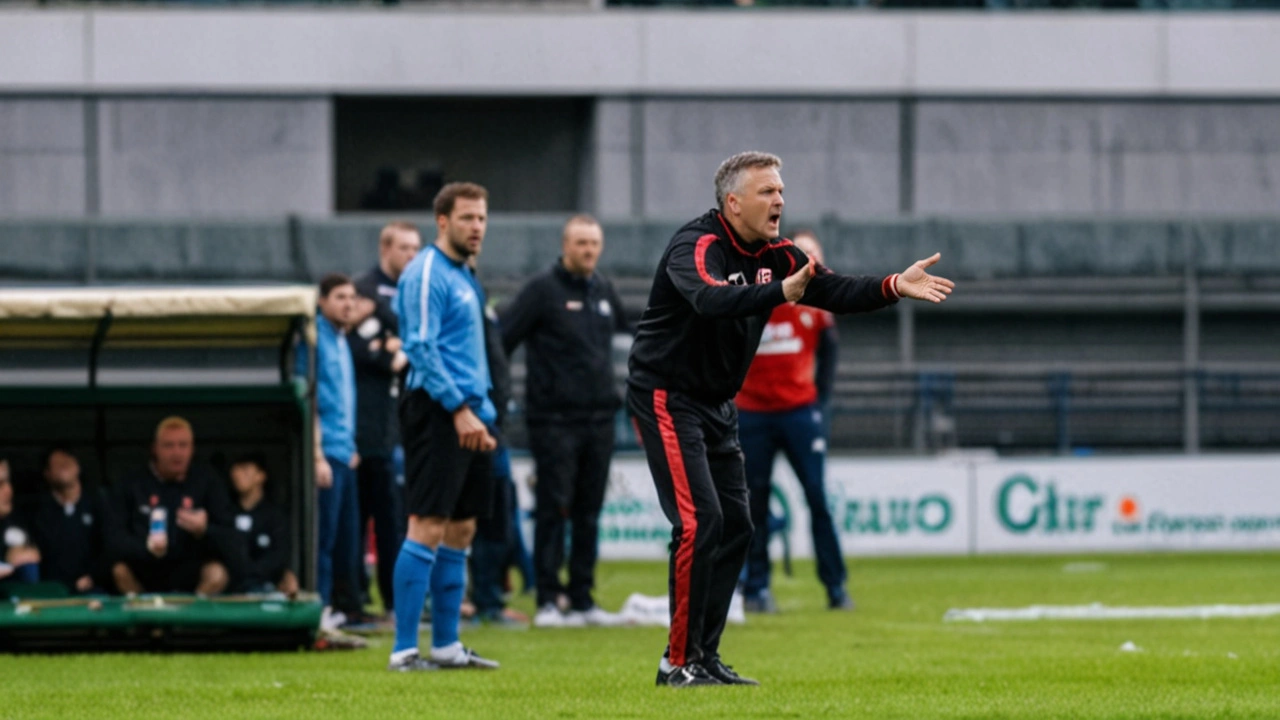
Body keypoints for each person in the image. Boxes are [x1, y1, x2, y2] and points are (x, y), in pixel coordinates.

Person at [626, 151, 954, 688]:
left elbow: (833, 290)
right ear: (733, 203)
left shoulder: (780, 253)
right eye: (766, 191)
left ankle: (703, 657)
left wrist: (895, 284)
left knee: (739, 526)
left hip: (718, 403)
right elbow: (710, 300)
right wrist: (780, 293)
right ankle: (676, 663)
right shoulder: (696, 245)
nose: (779, 200)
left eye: (780, 190)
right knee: (699, 522)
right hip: (667, 395)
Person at [386, 181, 501, 671]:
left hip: (472, 412)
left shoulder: (464, 274)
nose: (477, 227)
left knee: (461, 527)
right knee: (427, 522)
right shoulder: (427, 271)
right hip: (438, 410)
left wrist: (481, 408)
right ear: (442, 222)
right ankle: (404, 650)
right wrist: (458, 407)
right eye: (467, 218)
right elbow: (420, 347)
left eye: (481, 218)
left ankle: (448, 646)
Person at [501, 214, 631, 628]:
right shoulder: (541, 290)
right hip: (553, 420)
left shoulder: (604, 291)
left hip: (599, 419)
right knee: (554, 508)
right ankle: (546, 599)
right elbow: (501, 338)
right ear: (565, 245)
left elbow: (633, 336)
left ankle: (582, 598)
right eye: (580, 243)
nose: (588, 250)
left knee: (589, 511)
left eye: (594, 243)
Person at [736, 230, 852, 614]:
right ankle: (756, 588)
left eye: (816, 256)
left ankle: (836, 587)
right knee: (753, 504)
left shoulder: (819, 307)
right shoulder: (762, 294)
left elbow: (830, 357)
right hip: (752, 413)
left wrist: (822, 403)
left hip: (800, 413)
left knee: (817, 498)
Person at [350, 221, 420, 618]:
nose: (412, 256)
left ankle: (398, 600)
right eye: (404, 248)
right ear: (385, 249)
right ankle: (357, 598)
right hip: (366, 429)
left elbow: (408, 343)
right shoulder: (364, 288)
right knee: (363, 519)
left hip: (399, 425)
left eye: (416, 248)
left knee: (395, 518)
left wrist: (395, 347)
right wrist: (387, 349)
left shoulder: (419, 287)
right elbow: (363, 347)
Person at [109, 417, 238, 596]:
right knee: (119, 570)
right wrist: (146, 548)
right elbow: (114, 538)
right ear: (155, 449)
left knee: (217, 573)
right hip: (146, 567)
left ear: (192, 449)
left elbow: (232, 537)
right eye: (168, 445)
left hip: (190, 570)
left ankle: (188, 622)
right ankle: (146, 622)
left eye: (183, 445)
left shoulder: (208, 481)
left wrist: (205, 530)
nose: (177, 452)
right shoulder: (132, 483)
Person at [298, 274, 362, 626]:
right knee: (322, 538)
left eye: (352, 297)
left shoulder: (341, 340)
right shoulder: (313, 341)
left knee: (345, 539)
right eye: (340, 297)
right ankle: (318, 608)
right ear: (321, 301)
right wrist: (317, 455)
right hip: (326, 456)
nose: (348, 304)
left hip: (344, 452)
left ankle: (336, 607)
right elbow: (310, 401)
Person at [22, 447, 112, 594]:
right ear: (47, 473)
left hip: (92, 588)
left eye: (67, 463)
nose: (63, 467)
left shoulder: (98, 503)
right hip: (50, 590)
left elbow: (109, 547)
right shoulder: (35, 510)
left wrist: (93, 576)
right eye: (58, 465)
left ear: (78, 467)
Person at [227, 453, 299, 595]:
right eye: (236, 470)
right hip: (231, 588)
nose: (238, 475)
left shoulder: (274, 515)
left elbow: (280, 554)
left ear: (261, 476)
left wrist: (255, 572)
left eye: (245, 469)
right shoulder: (226, 512)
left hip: (266, 587)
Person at [0, 459, 41, 590]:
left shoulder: (13, 520)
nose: (8, 490)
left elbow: (33, 555)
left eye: (8, 482)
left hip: (9, 602)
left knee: (29, 568)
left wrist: (12, 558)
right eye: (0, 484)